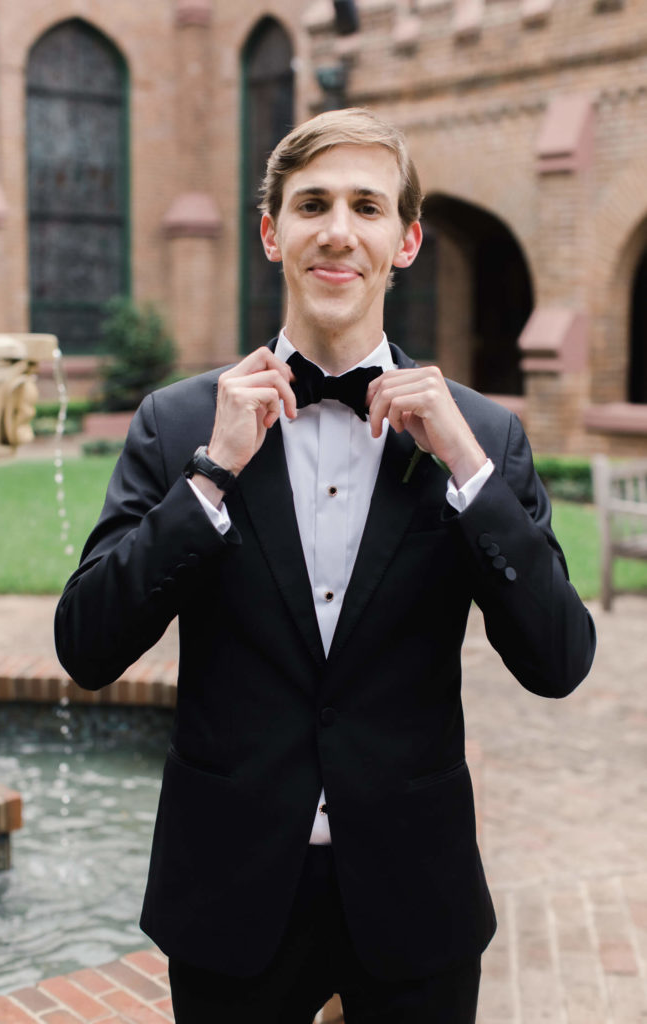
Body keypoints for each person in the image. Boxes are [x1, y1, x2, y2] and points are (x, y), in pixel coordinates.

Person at [55, 107, 596, 1023]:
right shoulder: (180, 423)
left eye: (366, 206)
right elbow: (88, 645)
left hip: (414, 893)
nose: (337, 230)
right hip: (227, 889)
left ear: (406, 238)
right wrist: (213, 475)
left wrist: (467, 472)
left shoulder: (483, 436)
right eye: (311, 205)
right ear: (272, 234)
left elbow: (558, 659)